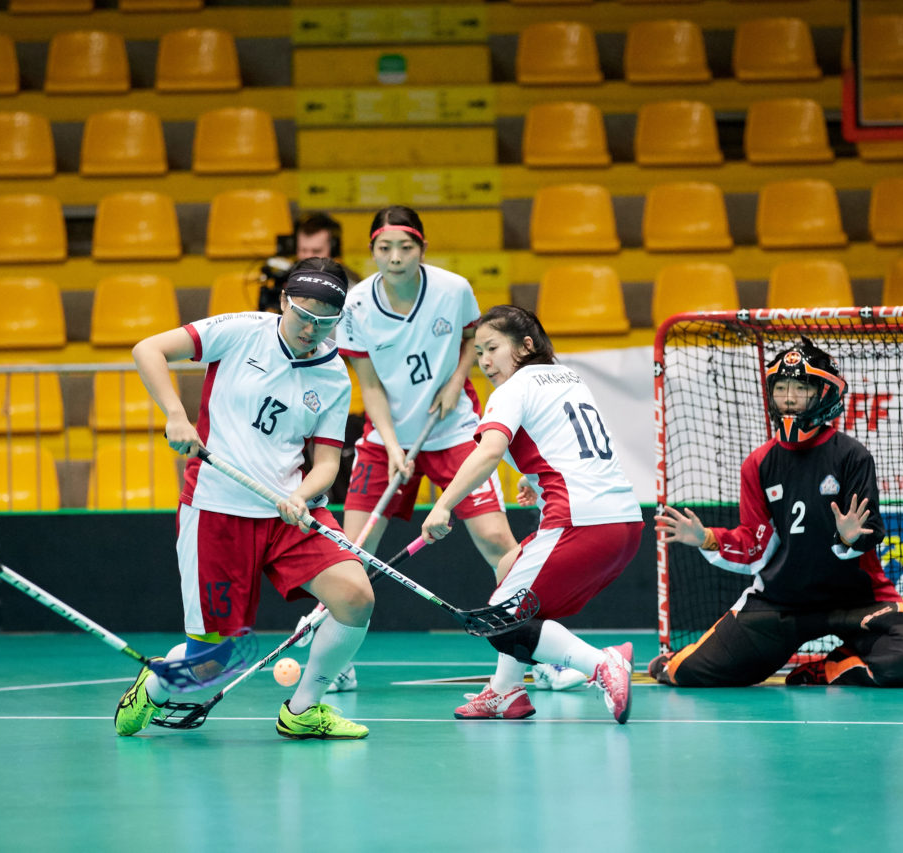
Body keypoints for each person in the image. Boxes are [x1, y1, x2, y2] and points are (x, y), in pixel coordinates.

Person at [114, 258, 375, 740]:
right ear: (283, 302)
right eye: (303, 315)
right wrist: (175, 414)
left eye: (325, 321)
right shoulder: (240, 331)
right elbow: (147, 349)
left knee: (356, 596)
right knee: (212, 662)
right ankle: (154, 687)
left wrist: (301, 495)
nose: (310, 329)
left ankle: (303, 709)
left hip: (289, 514)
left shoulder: (334, 374)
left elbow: (326, 464)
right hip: (217, 508)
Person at [652, 337, 903, 688]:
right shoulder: (758, 464)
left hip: (859, 601)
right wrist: (707, 538)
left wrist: (849, 538)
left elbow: (870, 532)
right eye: (782, 386)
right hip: (780, 603)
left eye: (801, 387)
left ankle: (831, 667)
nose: (788, 397)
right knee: (686, 673)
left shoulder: (852, 456)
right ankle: (676, 661)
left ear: (824, 393)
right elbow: (754, 545)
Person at [327, 205, 521, 698]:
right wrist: (392, 446)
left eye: (405, 247)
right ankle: (336, 662)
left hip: (453, 431)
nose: (395, 258)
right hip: (384, 439)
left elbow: (471, 338)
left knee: (498, 541)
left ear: (422, 249)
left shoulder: (453, 289)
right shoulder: (355, 305)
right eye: (384, 248)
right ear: (371, 251)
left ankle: (534, 650)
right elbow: (367, 384)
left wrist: (459, 379)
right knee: (349, 557)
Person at [419, 305, 642, 724]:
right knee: (509, 569)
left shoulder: (512, 389)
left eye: (493, 348)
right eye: (479, 351)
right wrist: (536, 480)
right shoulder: (569, 378)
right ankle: (505, 692)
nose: (484, 361)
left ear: (526, 345)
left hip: (581, 521)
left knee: (500, 618)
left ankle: (601, 664)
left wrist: (444, 505)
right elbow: (569, 443)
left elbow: (488, 451)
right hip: (625, 523)